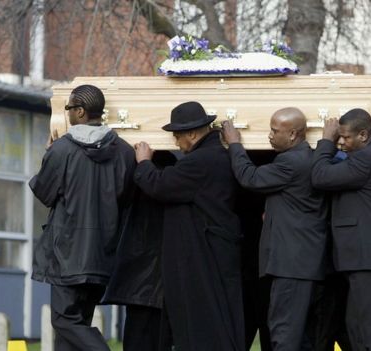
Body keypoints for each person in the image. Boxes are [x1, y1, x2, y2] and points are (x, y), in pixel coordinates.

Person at [30, 84, 136, 351]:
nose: (66, 114)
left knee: (65, 321)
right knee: (73, 331)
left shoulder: (62, 150)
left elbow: (44, 192)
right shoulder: (124, 151)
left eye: (68, 109)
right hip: (103, 252)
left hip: (68, 254)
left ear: (79, 111)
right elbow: (126, 198)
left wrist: (48, 155)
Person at [133, 101, 244, 351]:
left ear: (192, 134)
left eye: (177, 136)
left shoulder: (199, 161)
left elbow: (159, 185)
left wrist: (143, 163)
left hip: (202, 255)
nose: (175, 143)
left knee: (202, 323)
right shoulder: (217, 155)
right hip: (214, 249)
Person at [221, 107, 329, 351]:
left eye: (274, 130)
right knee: (302, 338)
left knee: (284, 334)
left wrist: (235, 144)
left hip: (291, 266)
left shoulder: (291, 162)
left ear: (293, 135)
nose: (269, 135)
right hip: (305, 264)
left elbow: (249, 177)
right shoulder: (310, 158)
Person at [311, 109, 371, 351]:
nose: (340, 141)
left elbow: (320, 176)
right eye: (338, 137)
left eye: (345, 137)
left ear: (364, 135)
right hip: (368, 259)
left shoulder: (369, 159)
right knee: (356, 328)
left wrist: (325, 140)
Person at [102, 150, 177, 351]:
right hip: (165, 281)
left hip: (138, 280)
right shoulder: (174, 191)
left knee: (137, 338)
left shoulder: (135, 190)